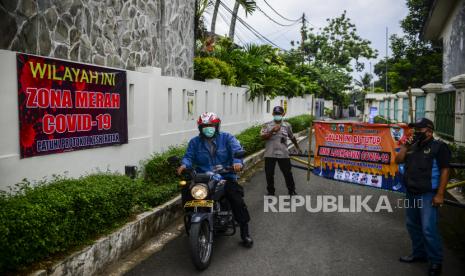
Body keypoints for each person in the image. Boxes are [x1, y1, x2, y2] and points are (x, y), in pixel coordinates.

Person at [177, 112, 253, 248]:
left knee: (236, 199)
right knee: (187, 192)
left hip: (225, 176)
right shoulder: (195, 142)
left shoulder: (227, 138)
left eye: (211, 125)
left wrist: (237, 163)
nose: (208, 128)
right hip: (203, 178)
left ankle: (245, 232)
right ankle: (191, 220)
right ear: (200, 128)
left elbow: (237, 150)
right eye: (205, 125)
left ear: (217, 126)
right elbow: (188, 156)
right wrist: (184, 165)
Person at [395, 118, 451, 276]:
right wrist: (405, 146)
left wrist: (440, 194)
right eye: (414, 130)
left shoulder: (439, 147)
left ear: (429, 130)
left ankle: (436, 262)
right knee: (412, 225)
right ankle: (419, 254)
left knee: (428, 228)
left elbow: (446, 170)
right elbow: (397, 160)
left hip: (428, 194)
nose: (415, 132)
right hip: (411, 192)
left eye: (418, 130)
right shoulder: (411, 145)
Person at [260, 106, 302, 196]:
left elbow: (292, 137)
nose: (277, 115)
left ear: (283, 114)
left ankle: (292, 190)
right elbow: (262, 137)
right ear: (272, 114)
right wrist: (272, 131)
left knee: (287, 173)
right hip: (270, 153)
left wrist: (297, 147)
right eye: (275, 114)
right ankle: (271, 192)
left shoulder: (287, 125)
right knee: (269, 174)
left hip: (283, 153)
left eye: (279, 114)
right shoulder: (267, 125)